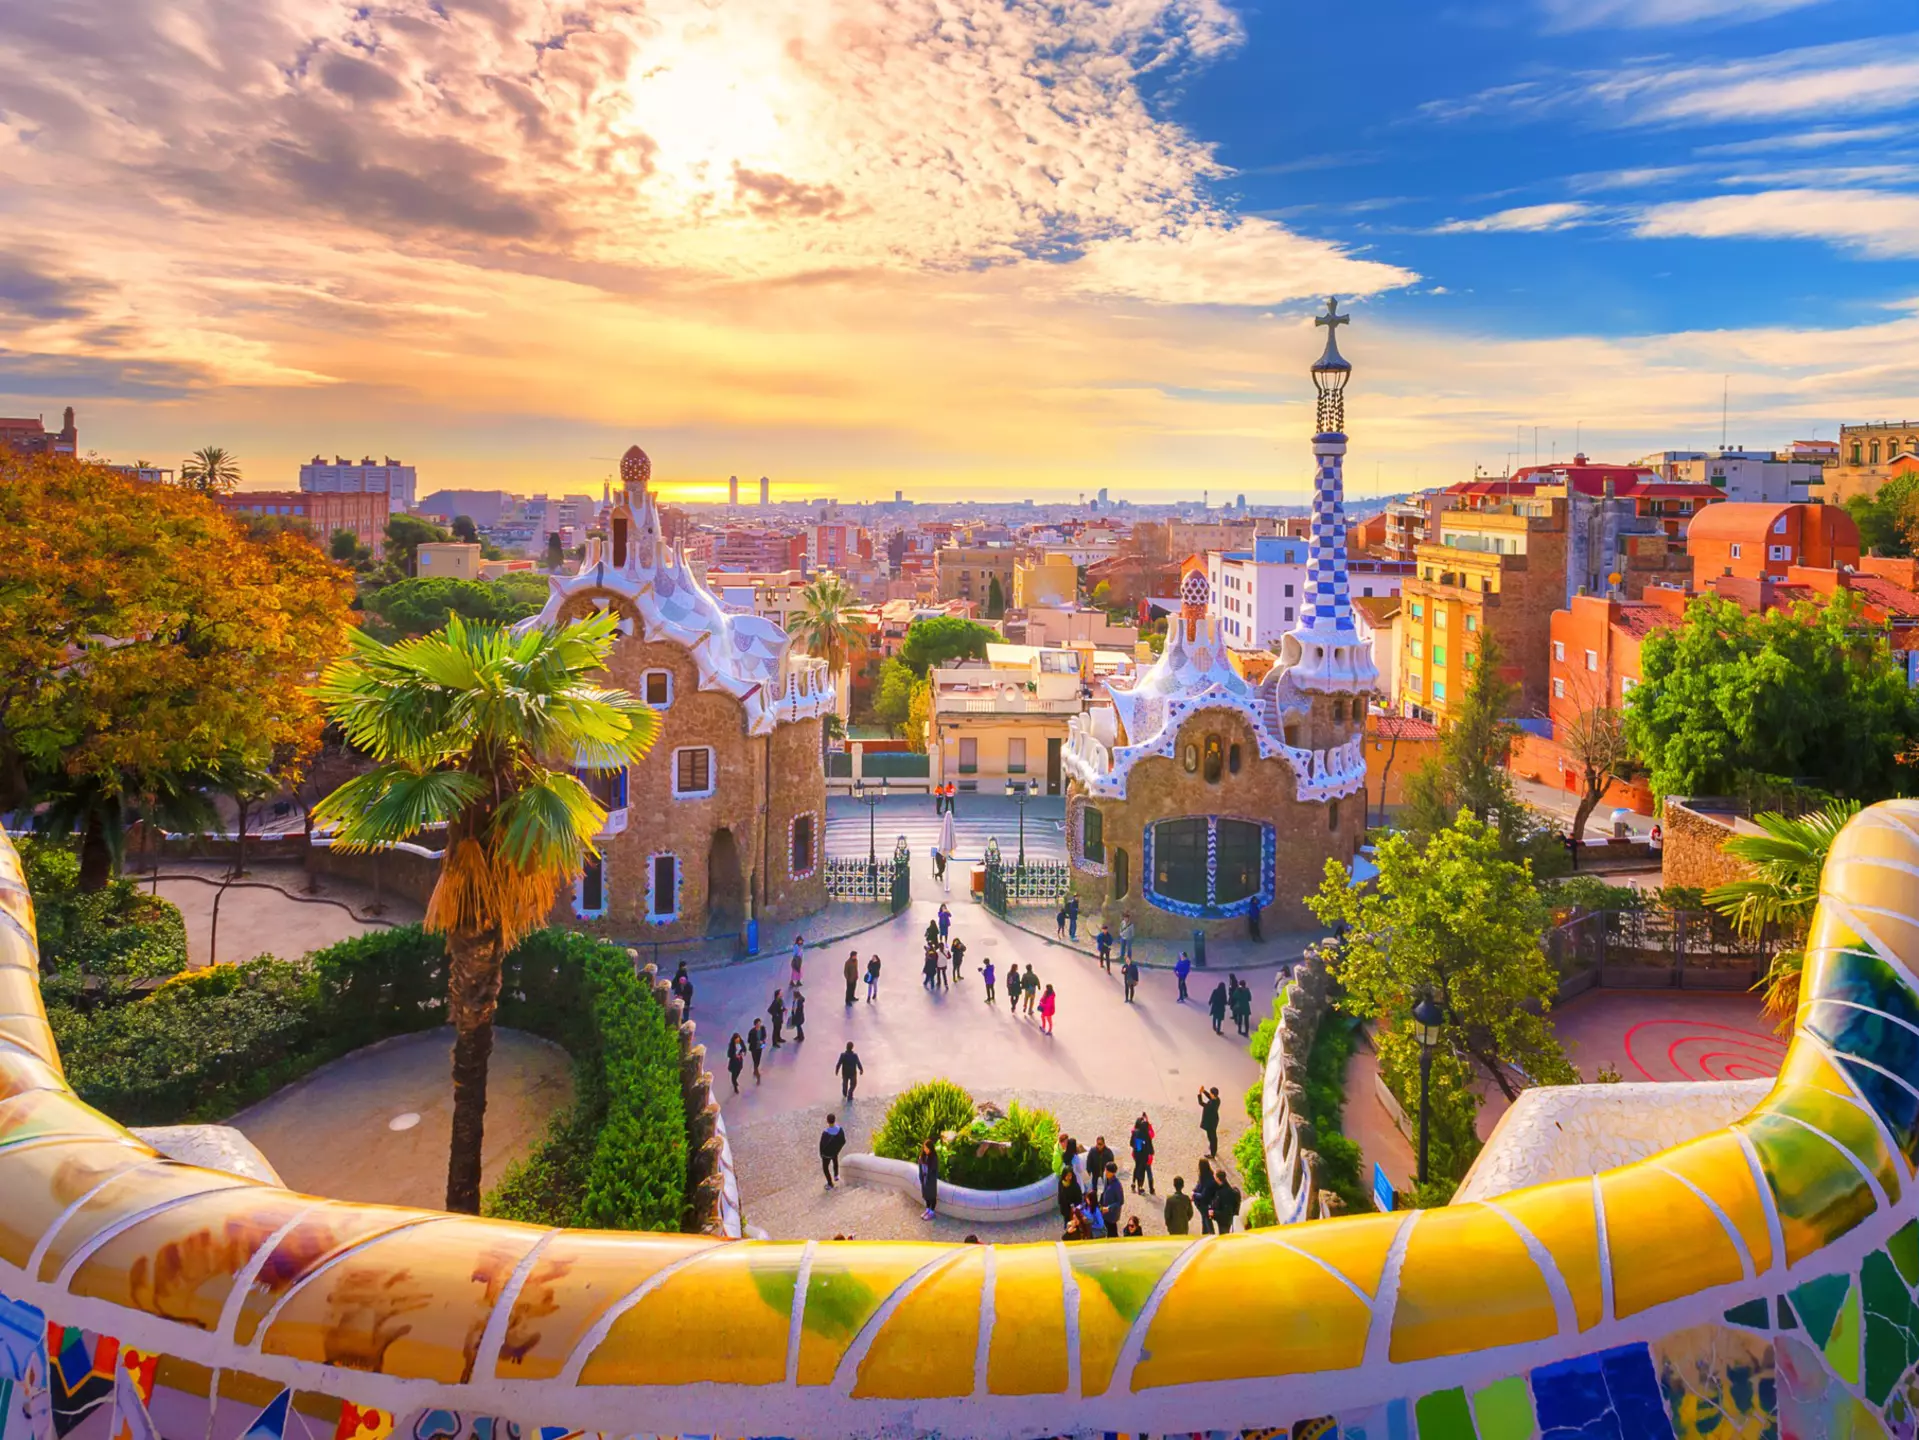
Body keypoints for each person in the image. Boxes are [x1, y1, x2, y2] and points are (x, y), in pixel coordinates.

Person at [1130, 1113, 1156, 1195]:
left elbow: (1131, 1143)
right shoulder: (1147, 1134)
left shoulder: (1135, 1132)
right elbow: (1149, 1146)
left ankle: (1134, 1184)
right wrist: (1151, 1153)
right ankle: (1140, 1187)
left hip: (1136, 1154)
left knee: (1137, 1168)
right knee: (1142, 1171)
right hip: (1144, 1156)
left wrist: (1137, 1147)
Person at [1211, 1167, 1242, 1234]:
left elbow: (1224, 1210)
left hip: (1224, 1221)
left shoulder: (1221, 1193)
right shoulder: (1232, 1190)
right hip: (1231, 1218)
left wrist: (1213, 1213)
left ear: (1218, 1179)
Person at [820, 1114, 846, 1187]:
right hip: (835, 1152)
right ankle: (836, 1175)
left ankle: (830, 1183)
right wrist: (837, 1149)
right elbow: (843, 1141)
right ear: (835, 1120)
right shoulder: (840, 1130)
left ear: (827, 1121)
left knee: (825, 1168)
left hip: (826, 1155)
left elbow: (822, 1145)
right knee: (835, 1162)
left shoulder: (825, 1133)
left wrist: (821, 1154)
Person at [917, 1138, 941, 1221]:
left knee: (932, 1196)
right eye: (924, 1148)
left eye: (927, 1148)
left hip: (930, 1180)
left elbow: (934, 1170)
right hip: (924, 1179)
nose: (925, 1150)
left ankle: (931, 1211)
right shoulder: (922, 1157)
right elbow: (920, 1168)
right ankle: (927, 1209)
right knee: (926, 1196)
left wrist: (929, 1178)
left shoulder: (934, 1158)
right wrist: (921, 1177)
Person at [1194, 1158, 1219, 1234]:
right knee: (1205, 1219)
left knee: (1207, 1220)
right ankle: (1205, 1233)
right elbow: (1199, 1185)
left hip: (1205, 1203)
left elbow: (1204, 1195)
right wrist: (1194, 1190)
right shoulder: (1207, 1175)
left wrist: (1194, 1194)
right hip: (1203, 1203)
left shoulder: (1207, 1180)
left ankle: (1210, 1234)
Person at [1099, 1162, 1124, 1237]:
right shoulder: (1107, 1180)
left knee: (1112, 1233)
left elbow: (1120, 1201)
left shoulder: (1117, 1185)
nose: (1105, 1172)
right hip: (1105, 1213)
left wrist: (1109, 1208)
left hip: (1112, 1215)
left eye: (1106, 1171)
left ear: (1112, 1173)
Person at [1057, 1155, 1084, 1222]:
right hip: (1065, 1209)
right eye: (1067, 1175)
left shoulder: (1075, 1185)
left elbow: (1078, 1198)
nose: (1068, 1177)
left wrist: (1075, 1207)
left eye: (1070, 1175)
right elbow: (1060, 1195)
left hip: (1073, 1210)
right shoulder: (1061, 1183)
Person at [1198, 1086, 1222, 1158]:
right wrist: (1204, 1091)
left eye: (1211, 1093)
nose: (1210, 1094)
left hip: (1210, 1122)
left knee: (1211, 1137)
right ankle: (1213, 1148)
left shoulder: (1210, 1105)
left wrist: (1199, 1094)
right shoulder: (1217, 1100)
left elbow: (1201, 1103)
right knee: (1213, 1136)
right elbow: (1210, 1096)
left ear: (1213, 1094)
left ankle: (1212, 1153)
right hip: (1214, 1120)